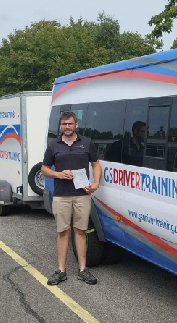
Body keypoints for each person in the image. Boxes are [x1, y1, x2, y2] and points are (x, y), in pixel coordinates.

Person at [41, 111, 102, 286]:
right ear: (60, 126)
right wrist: (59, 174)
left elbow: (96, 164)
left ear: (76, 125)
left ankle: (83, 270)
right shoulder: (54, 145)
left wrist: (96, 183)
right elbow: (44, 169)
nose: (67, 127)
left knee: (80, 231)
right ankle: (61, 270)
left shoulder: (86, 143)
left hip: (82, 195)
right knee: (62, 232)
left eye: (70, 123)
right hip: (62, 196)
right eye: (64, 124)